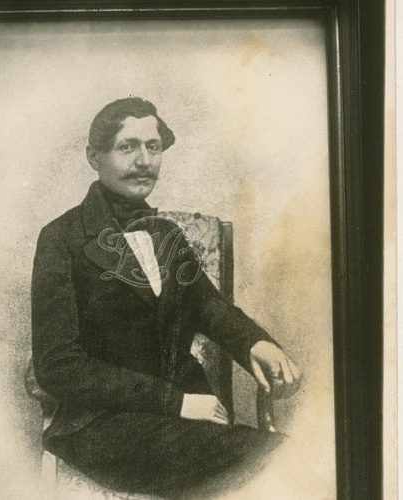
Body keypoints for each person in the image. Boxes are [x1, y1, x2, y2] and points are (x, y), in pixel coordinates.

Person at [31, 97, 301, 497]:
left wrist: (255, 344)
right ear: (94, 156)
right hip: (105, 427)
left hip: (183, 418)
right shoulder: (61, 239)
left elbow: (210, 308)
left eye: (153, 147)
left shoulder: (166, 234)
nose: (144, 161)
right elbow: (59, 367)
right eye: (127, 147)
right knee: (277, 459)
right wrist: (175, 402)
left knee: (279, 459)